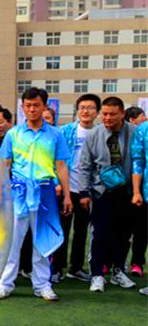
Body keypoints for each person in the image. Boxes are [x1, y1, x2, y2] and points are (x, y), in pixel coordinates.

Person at [0, 88, 71, 301]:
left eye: (36, 105)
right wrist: (0, 193)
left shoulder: (56, 135)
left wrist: (66, 195)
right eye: (27, 105)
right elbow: (5, 165)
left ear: (45, 106)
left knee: (42, 241)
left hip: (45, 192)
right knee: (12, 241)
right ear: (22, 107)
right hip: (17, 192)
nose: (31, 109)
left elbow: (62, 165)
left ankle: (42, 285)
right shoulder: (14, 134)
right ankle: (5, 283)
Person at [79, 96, 136, 292]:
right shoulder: (94, 135)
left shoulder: (134, 133)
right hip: (101, 192)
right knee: (100, 234)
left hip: (127, 192)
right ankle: (97, 274)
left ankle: (119, 271)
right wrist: (84, 193)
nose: (107, 118)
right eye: (104, 114)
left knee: (123, 234)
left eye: (112, 114)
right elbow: (84, 166)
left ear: (122, 113)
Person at [53, 94, 100, 283]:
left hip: (87, 190)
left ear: (97, 111)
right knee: (61, 230)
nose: (85, 111)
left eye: (90, 107)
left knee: (82, 231)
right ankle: (57, 268)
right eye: (82, 107)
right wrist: (58, 184)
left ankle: (76, 267)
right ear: (77, 110)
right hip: (65, 189)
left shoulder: (99, 133)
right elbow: (56, 160)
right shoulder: (65, 131)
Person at [130, 119, 148, 290]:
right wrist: (136, 191)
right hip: (146, 191)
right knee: (142, 231)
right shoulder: (143, 130)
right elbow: (138, 161)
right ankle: (137, 262)